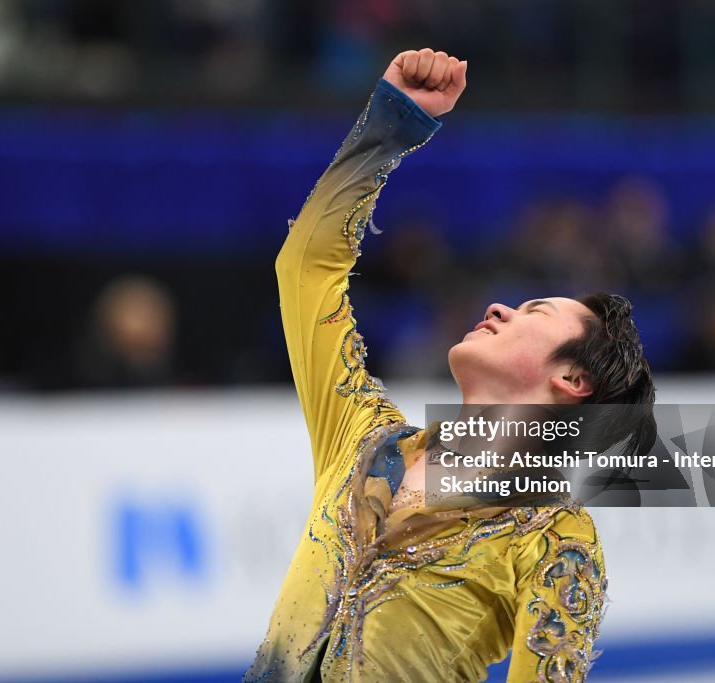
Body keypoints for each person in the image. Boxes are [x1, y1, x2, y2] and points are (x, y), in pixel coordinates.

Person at [246, 48, 655, 683]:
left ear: (573, 380)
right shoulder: (362, 440)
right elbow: (305, 268)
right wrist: (391, 126)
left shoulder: (550, 536)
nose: (497, 307)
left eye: (533, 312)